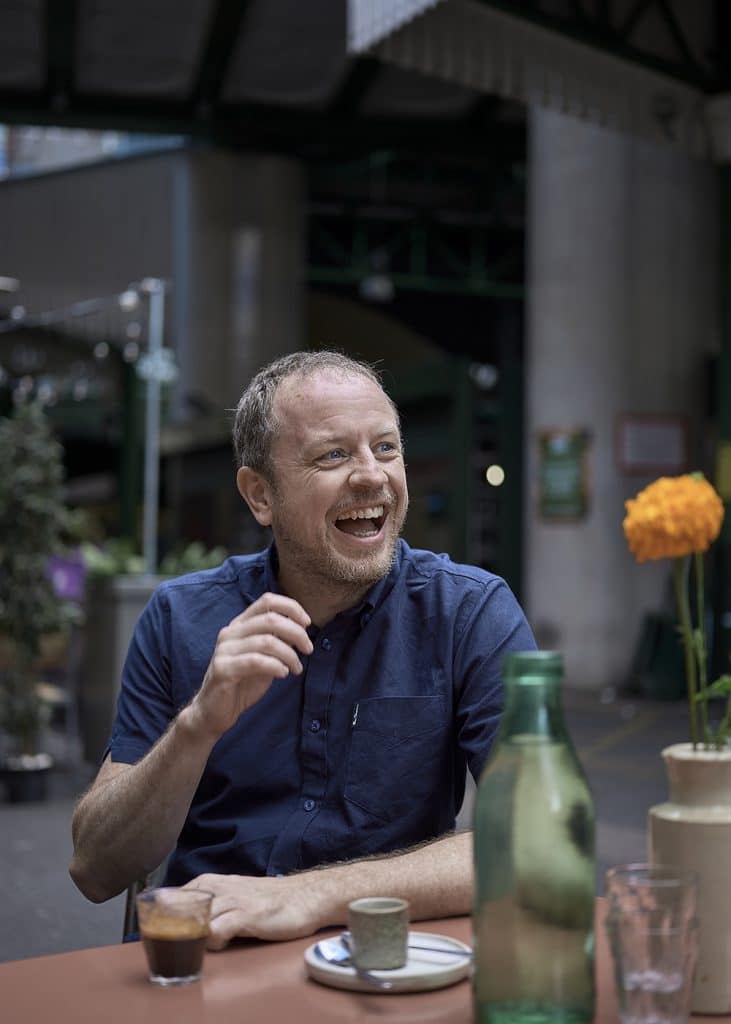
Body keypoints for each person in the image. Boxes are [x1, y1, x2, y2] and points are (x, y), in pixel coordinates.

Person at [70, 350, 535, 949]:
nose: (372, 475)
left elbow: (535, 839)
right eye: (333, 455)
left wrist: (307, 895)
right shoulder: (181, 617)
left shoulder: (468, 612)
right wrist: (197, 726)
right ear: (260, 495)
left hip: (380, 959)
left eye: (386, 448)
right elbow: (95, 869)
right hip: (210, 962)